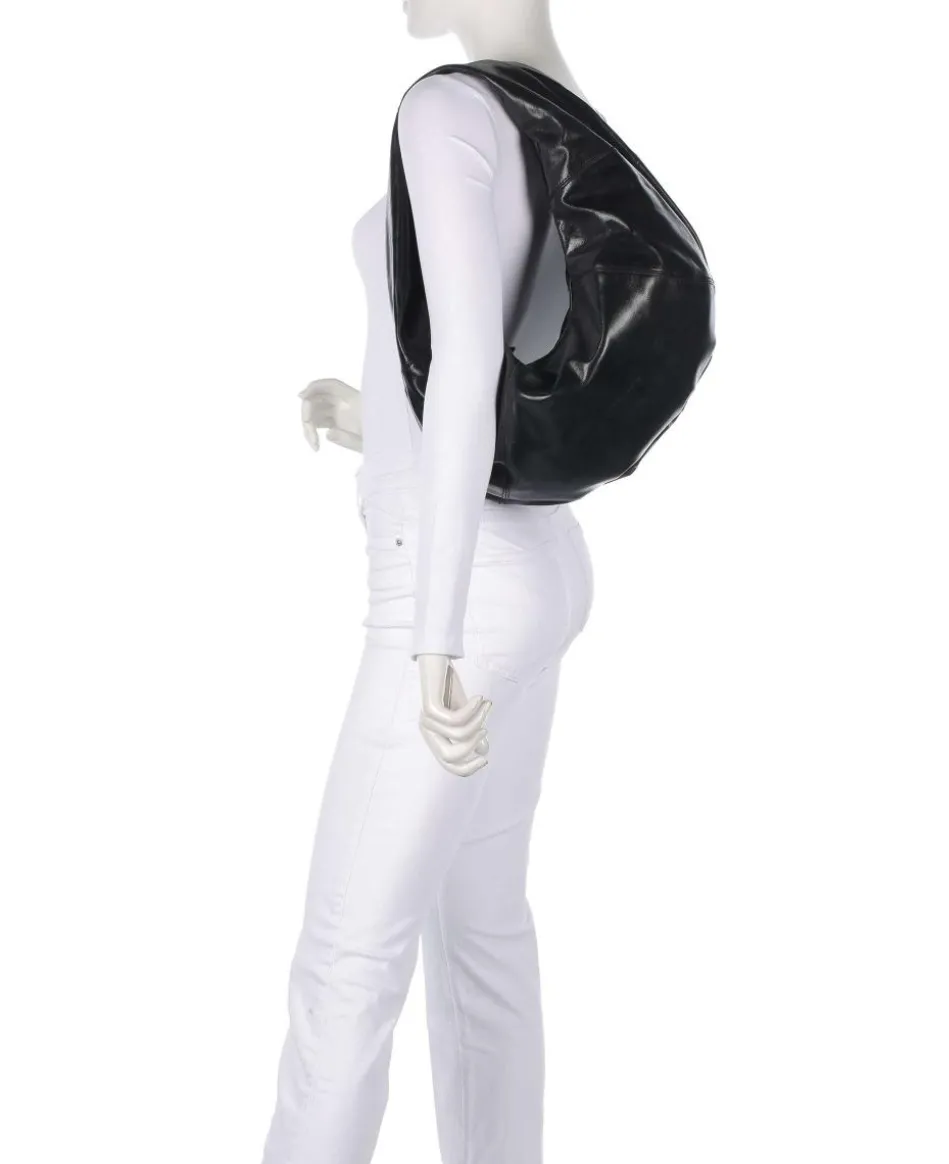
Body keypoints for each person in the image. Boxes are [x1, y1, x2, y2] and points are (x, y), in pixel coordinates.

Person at [262, 3, 595, 1161]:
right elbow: (504, 355)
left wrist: (435, 639)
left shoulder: (449, 107)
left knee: (345, 969)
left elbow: (465, 358)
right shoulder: (564, 110)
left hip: (452, 589)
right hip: (535, 561)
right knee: (483, 944)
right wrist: (378, 420)